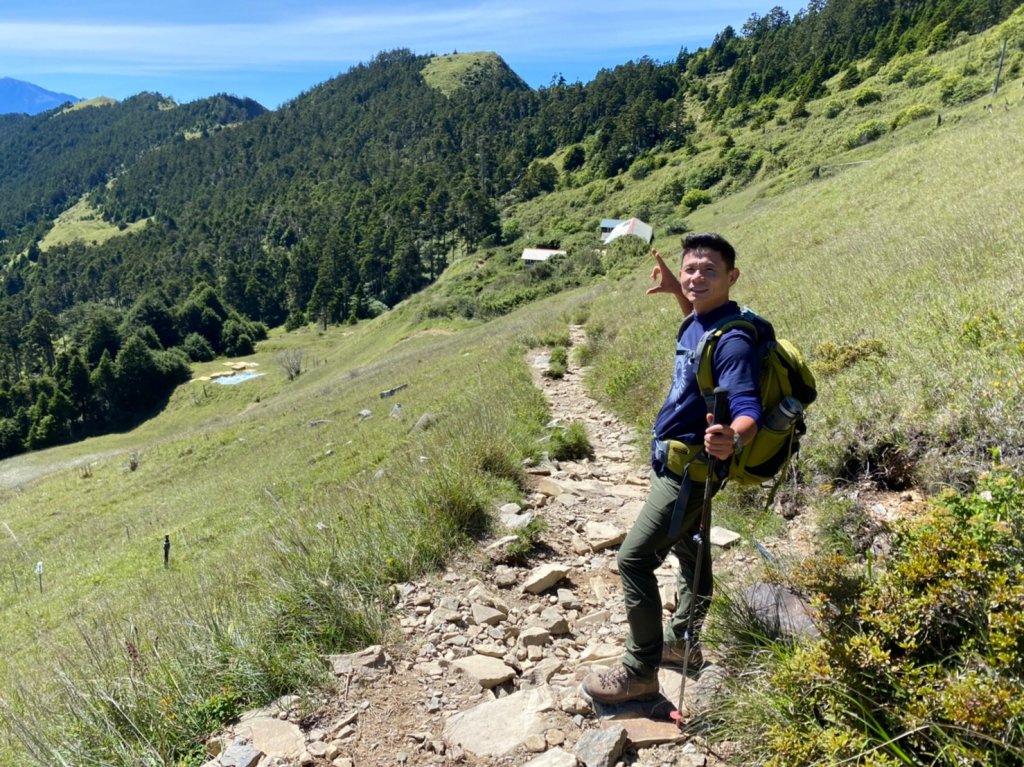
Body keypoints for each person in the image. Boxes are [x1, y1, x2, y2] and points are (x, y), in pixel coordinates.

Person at [581, 232, 762, 704]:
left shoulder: (735, 341)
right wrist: (678, 295)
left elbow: (748, 407)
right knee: (691, 548)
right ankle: (683, 641)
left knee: (634, 559)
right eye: (690, 270)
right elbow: (697, 338)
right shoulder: (702, 321)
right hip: (679, 464)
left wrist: (733, 438)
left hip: (691, 472)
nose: (697, 277)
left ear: (733, 278)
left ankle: (639, 669)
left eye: (709, 271)